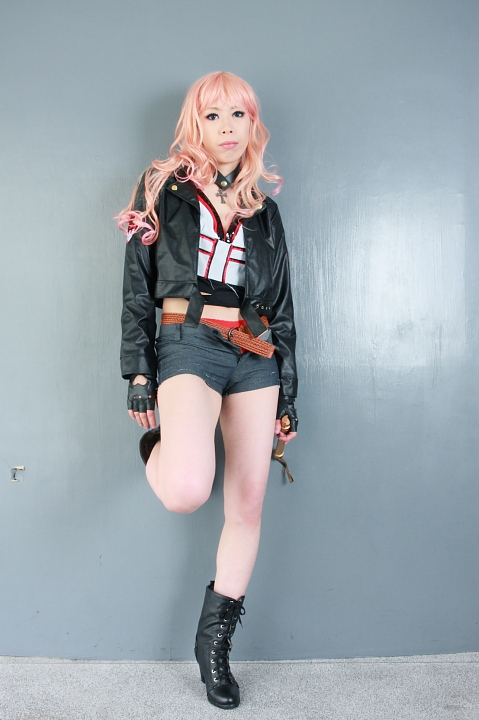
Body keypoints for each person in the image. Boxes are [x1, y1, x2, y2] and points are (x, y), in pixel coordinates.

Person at [117, 71, 298, 710]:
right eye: (213, 115)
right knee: (188, 490)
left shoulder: (265, 211)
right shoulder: (163, 186)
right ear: (197, 124)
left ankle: (214, 641)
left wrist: (289, 392)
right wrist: (139, 371)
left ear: (253, 125)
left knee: (247, 502)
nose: (226, 128)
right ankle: (158, 449)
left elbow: (281, 307)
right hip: (186, 340)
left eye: (238, 115)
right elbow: (136, 284)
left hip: (254, 350)